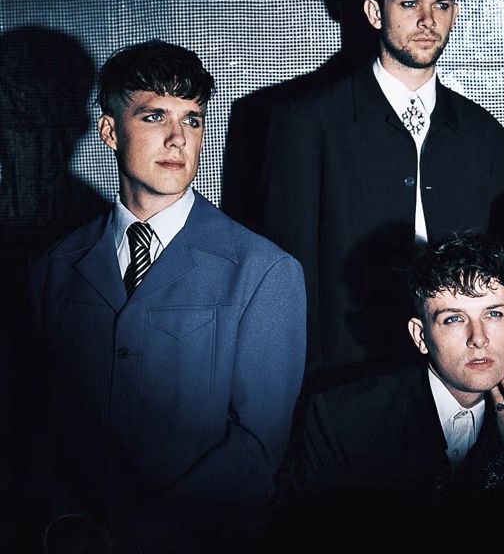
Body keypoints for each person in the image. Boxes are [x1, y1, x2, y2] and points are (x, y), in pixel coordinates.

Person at [26, 41, 307, 553]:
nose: (178, 138)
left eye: (192, 120)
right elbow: (35, 421)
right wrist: (66, 523)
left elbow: (257, 448)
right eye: (155, 116)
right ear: (110, 131)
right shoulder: (54, 268)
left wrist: (136, 535)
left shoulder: (264, 271)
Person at [260, 0, 504, 383]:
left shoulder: (484, 133)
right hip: (344, 370)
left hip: (456, 371)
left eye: (441, 5)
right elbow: (286, 269)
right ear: (375, 12)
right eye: (410, 3)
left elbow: (498, 269)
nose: (428, 20)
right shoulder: (306, 121)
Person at [275, 232, 504, 553]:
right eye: (454, 318)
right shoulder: (340, 421)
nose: (479, 338)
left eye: (493, 314)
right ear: (420, 335)